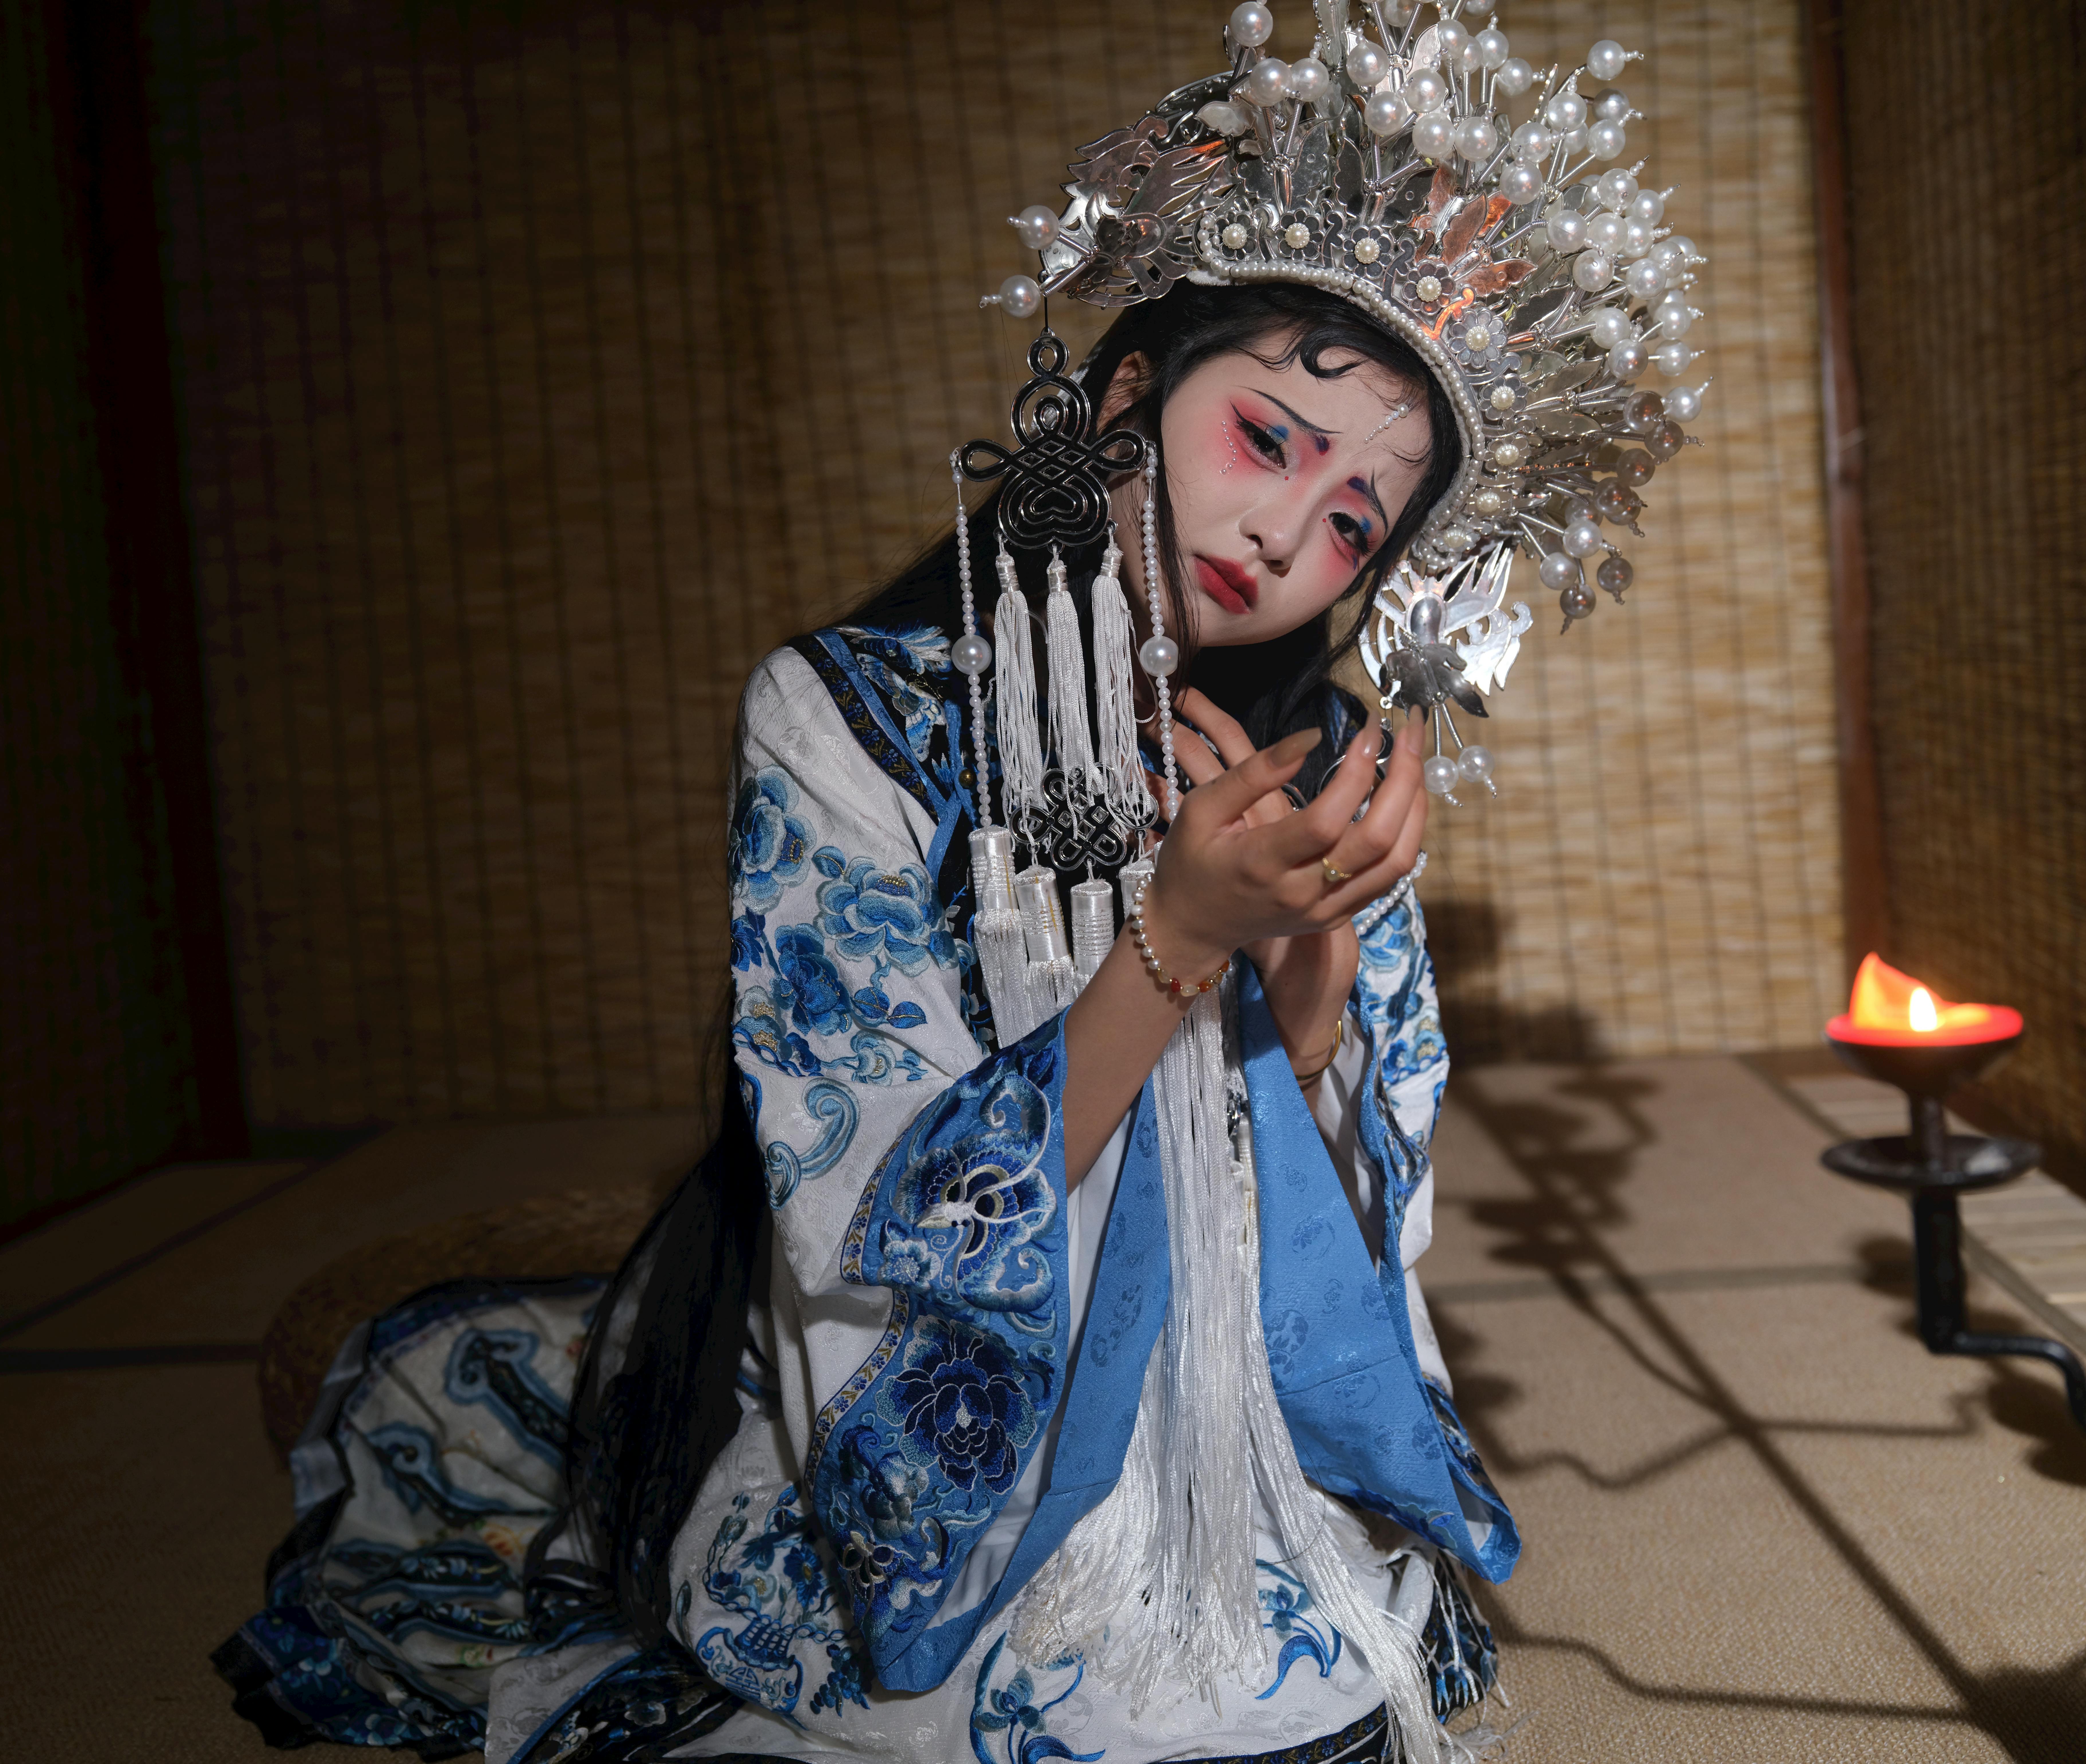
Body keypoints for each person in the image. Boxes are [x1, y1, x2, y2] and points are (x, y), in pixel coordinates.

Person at [219, 6, 1706, 1759]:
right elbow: (871, 1200)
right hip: (953, 1451)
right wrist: (1176, 941)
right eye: (1272, 443)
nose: (1285, 544)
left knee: (1302, 1686)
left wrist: (1304, 987)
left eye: (1357, 525)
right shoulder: (845, 720)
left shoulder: (1323, 767)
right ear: (1128, 397)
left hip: (1220, 1445)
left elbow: (1357, 1223)